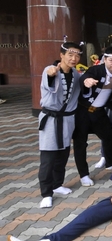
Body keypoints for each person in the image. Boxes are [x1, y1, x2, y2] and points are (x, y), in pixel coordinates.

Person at [73, 46, 112, 187]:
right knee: (80, 143)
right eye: (111, 60)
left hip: (99, 111)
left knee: (110, 136)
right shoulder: (96, 70)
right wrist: (86, 81)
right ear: (104, 59)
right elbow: (85, 77)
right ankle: (84, 175)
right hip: (82, 111)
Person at [37, 42, 82, 208]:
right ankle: (46, 193)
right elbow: (49, 82)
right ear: (61, 55)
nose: (74, 58)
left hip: (67, 119)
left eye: (77, 55)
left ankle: (57, 185)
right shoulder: (50, 70)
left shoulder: (76, 74)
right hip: (51, 119)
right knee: (48, 158)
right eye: (70, 54)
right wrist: (50, 74)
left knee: (62, 155)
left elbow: (82, 86)